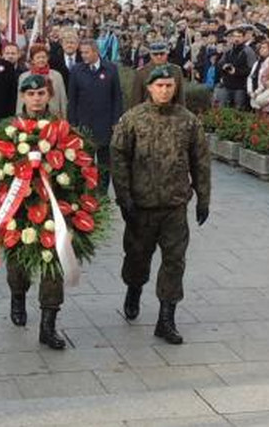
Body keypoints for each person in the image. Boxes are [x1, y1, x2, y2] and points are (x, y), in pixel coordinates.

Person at [111, 66, 211, 345]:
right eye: (160, 86)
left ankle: (166, 318)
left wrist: (204, 198)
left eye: (169, 86)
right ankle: (134, 288)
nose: (165, 90)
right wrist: (124, 197)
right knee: (137, 257)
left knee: (174, 261)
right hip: (141, 206)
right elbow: (118, 158)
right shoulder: (132, 119)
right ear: (149, 88)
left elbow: (201, 161)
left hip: (175, 205)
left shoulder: (188, 121)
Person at [6, 73, 67, 349]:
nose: (36, 99)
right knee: (18, 264)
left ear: (48, 95)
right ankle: (18, 296)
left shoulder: (62, 128)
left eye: (41, 93)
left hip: (53, 207)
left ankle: (48, 324)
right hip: (19, 209)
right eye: (30, 94)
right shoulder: (9, 128)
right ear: (22, 96)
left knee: (54, 264)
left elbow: (76, 163)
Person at [68, 39, 124, 191]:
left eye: (86, 52)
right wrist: (72, 123)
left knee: (105, 163)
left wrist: (116, 120)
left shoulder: (110, 69)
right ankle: (87, 192)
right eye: (82, 53)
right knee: (85, 161)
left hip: (105, 124)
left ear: (96, 52)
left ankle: (103, 192)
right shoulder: (77, 70)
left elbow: (117, 97)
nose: (83, 56)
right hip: (84, 125)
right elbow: (72, 99)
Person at [17, 43, 68, 116]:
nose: (41, 60)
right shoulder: (24, 77)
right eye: (38, 57)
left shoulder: (57, 76)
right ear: (32, 60)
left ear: (47, 58)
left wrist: (64, 117)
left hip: (53, 116)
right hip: (30, 118)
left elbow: (63, 99)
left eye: (43, 57)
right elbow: (20, 100)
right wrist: (19, 118)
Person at [129, 41, 185, 106]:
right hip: (148, 112)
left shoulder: (176, 71)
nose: (159, 57)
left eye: (162, 54)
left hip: (171, 112)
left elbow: (180, 97)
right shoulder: (141, 73)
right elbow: (136, 99)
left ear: (167, 53)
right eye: (155, 54)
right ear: (150, 55)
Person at [214, 26, 255, 110]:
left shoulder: (248, 51)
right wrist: (224, 66)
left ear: (243, 38)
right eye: (235, 36)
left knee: (239, 110)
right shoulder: (229, 49)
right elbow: (220, 63)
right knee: (223, 109)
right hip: (227, 84)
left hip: (241, 87)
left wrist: (236, 71)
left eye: (239, 36)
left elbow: (252, 70)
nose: (236, 39)